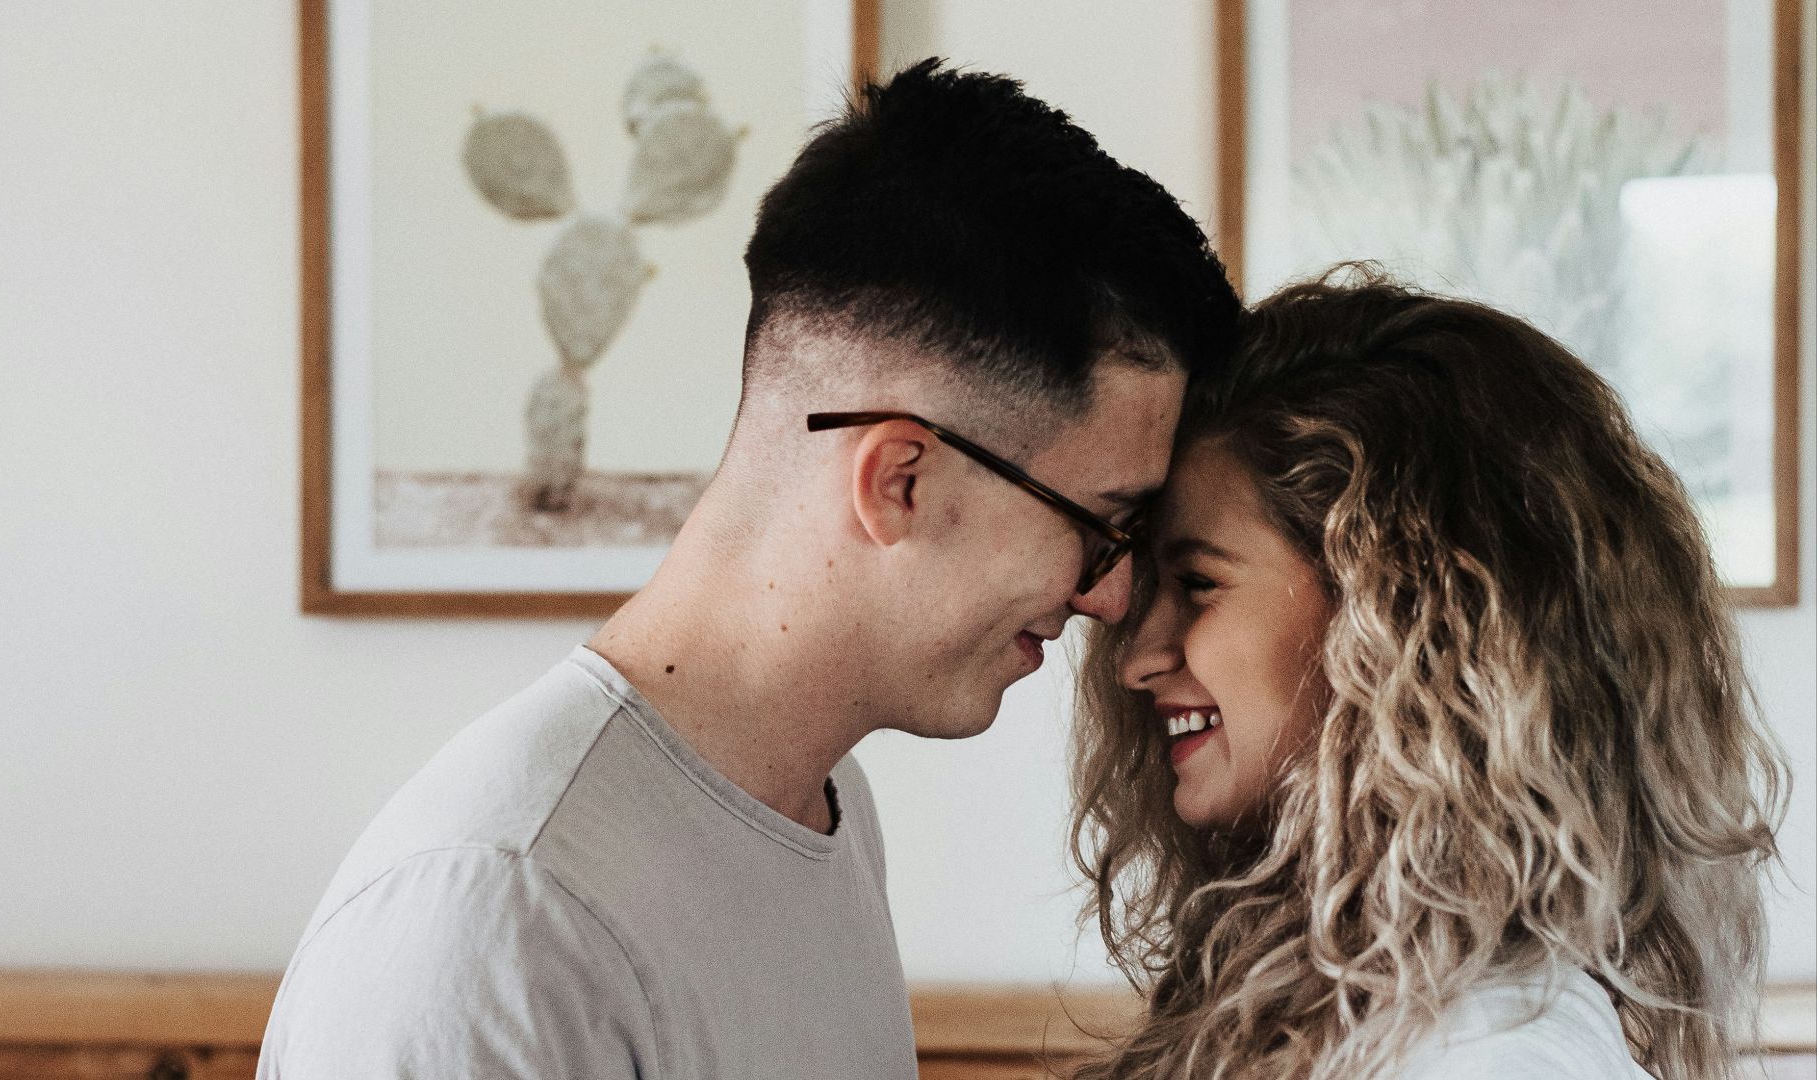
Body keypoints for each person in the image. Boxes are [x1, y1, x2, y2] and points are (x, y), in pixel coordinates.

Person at [257, 59, 1239, 1079]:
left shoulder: (825, 806)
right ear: (899, 480)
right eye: (1101, 524)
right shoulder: (495, 929)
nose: (1110, 596)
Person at [1069, 272, 1787, 1080]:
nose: (1135, 659)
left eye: (1198, 583)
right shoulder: (1361, 1004)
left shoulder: (1489, 1051)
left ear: (1397, 613)